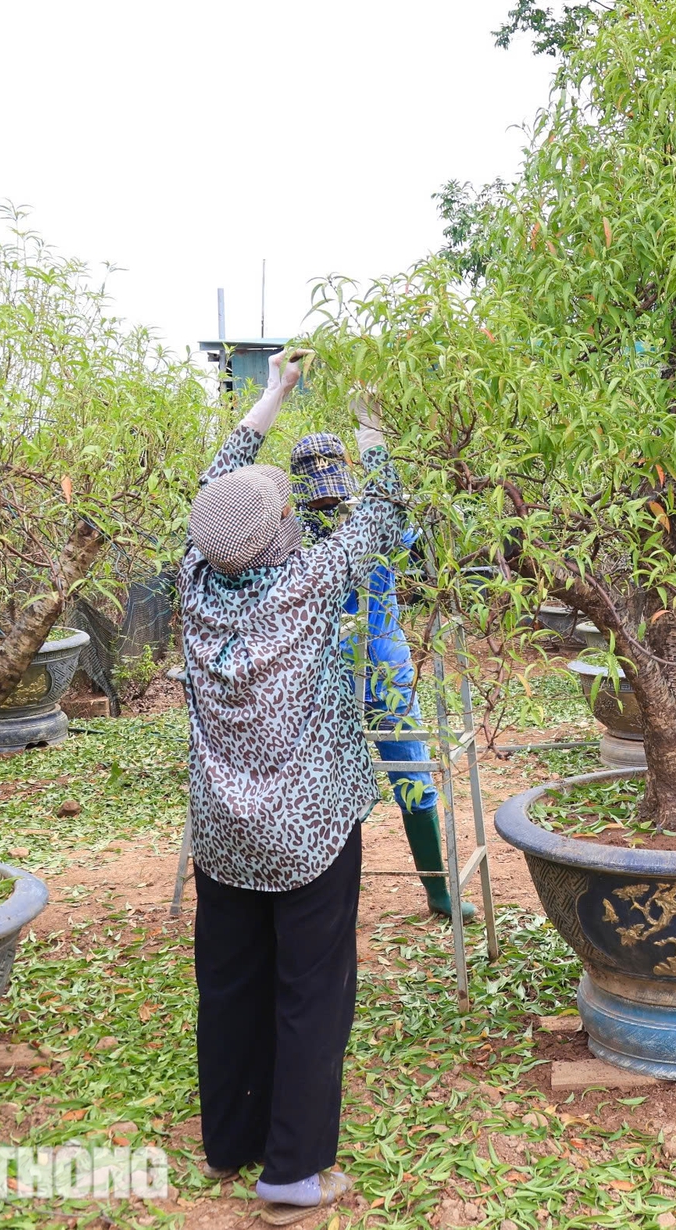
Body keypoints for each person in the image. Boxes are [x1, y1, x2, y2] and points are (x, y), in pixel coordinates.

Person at [179, 352, 402, 1224]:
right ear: (283, 528)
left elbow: (217, 488)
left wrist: (271, 394)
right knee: (312, 989)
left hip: (223, 832)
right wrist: (371, 419)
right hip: (308, 831)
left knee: (229, 982)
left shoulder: (198, 581)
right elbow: (378, 514)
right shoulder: (308, 583)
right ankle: (293, 1173)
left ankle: (232, 1143)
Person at [289, 432, 465, 918]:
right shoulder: (293, 529)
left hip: (377, 663)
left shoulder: (366, 517)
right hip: (321, 671)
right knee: (325, 782)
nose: (326, 497)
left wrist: (374, 443)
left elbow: (402, 523)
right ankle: (327, 897)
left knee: (410, 766)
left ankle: (437, 890)